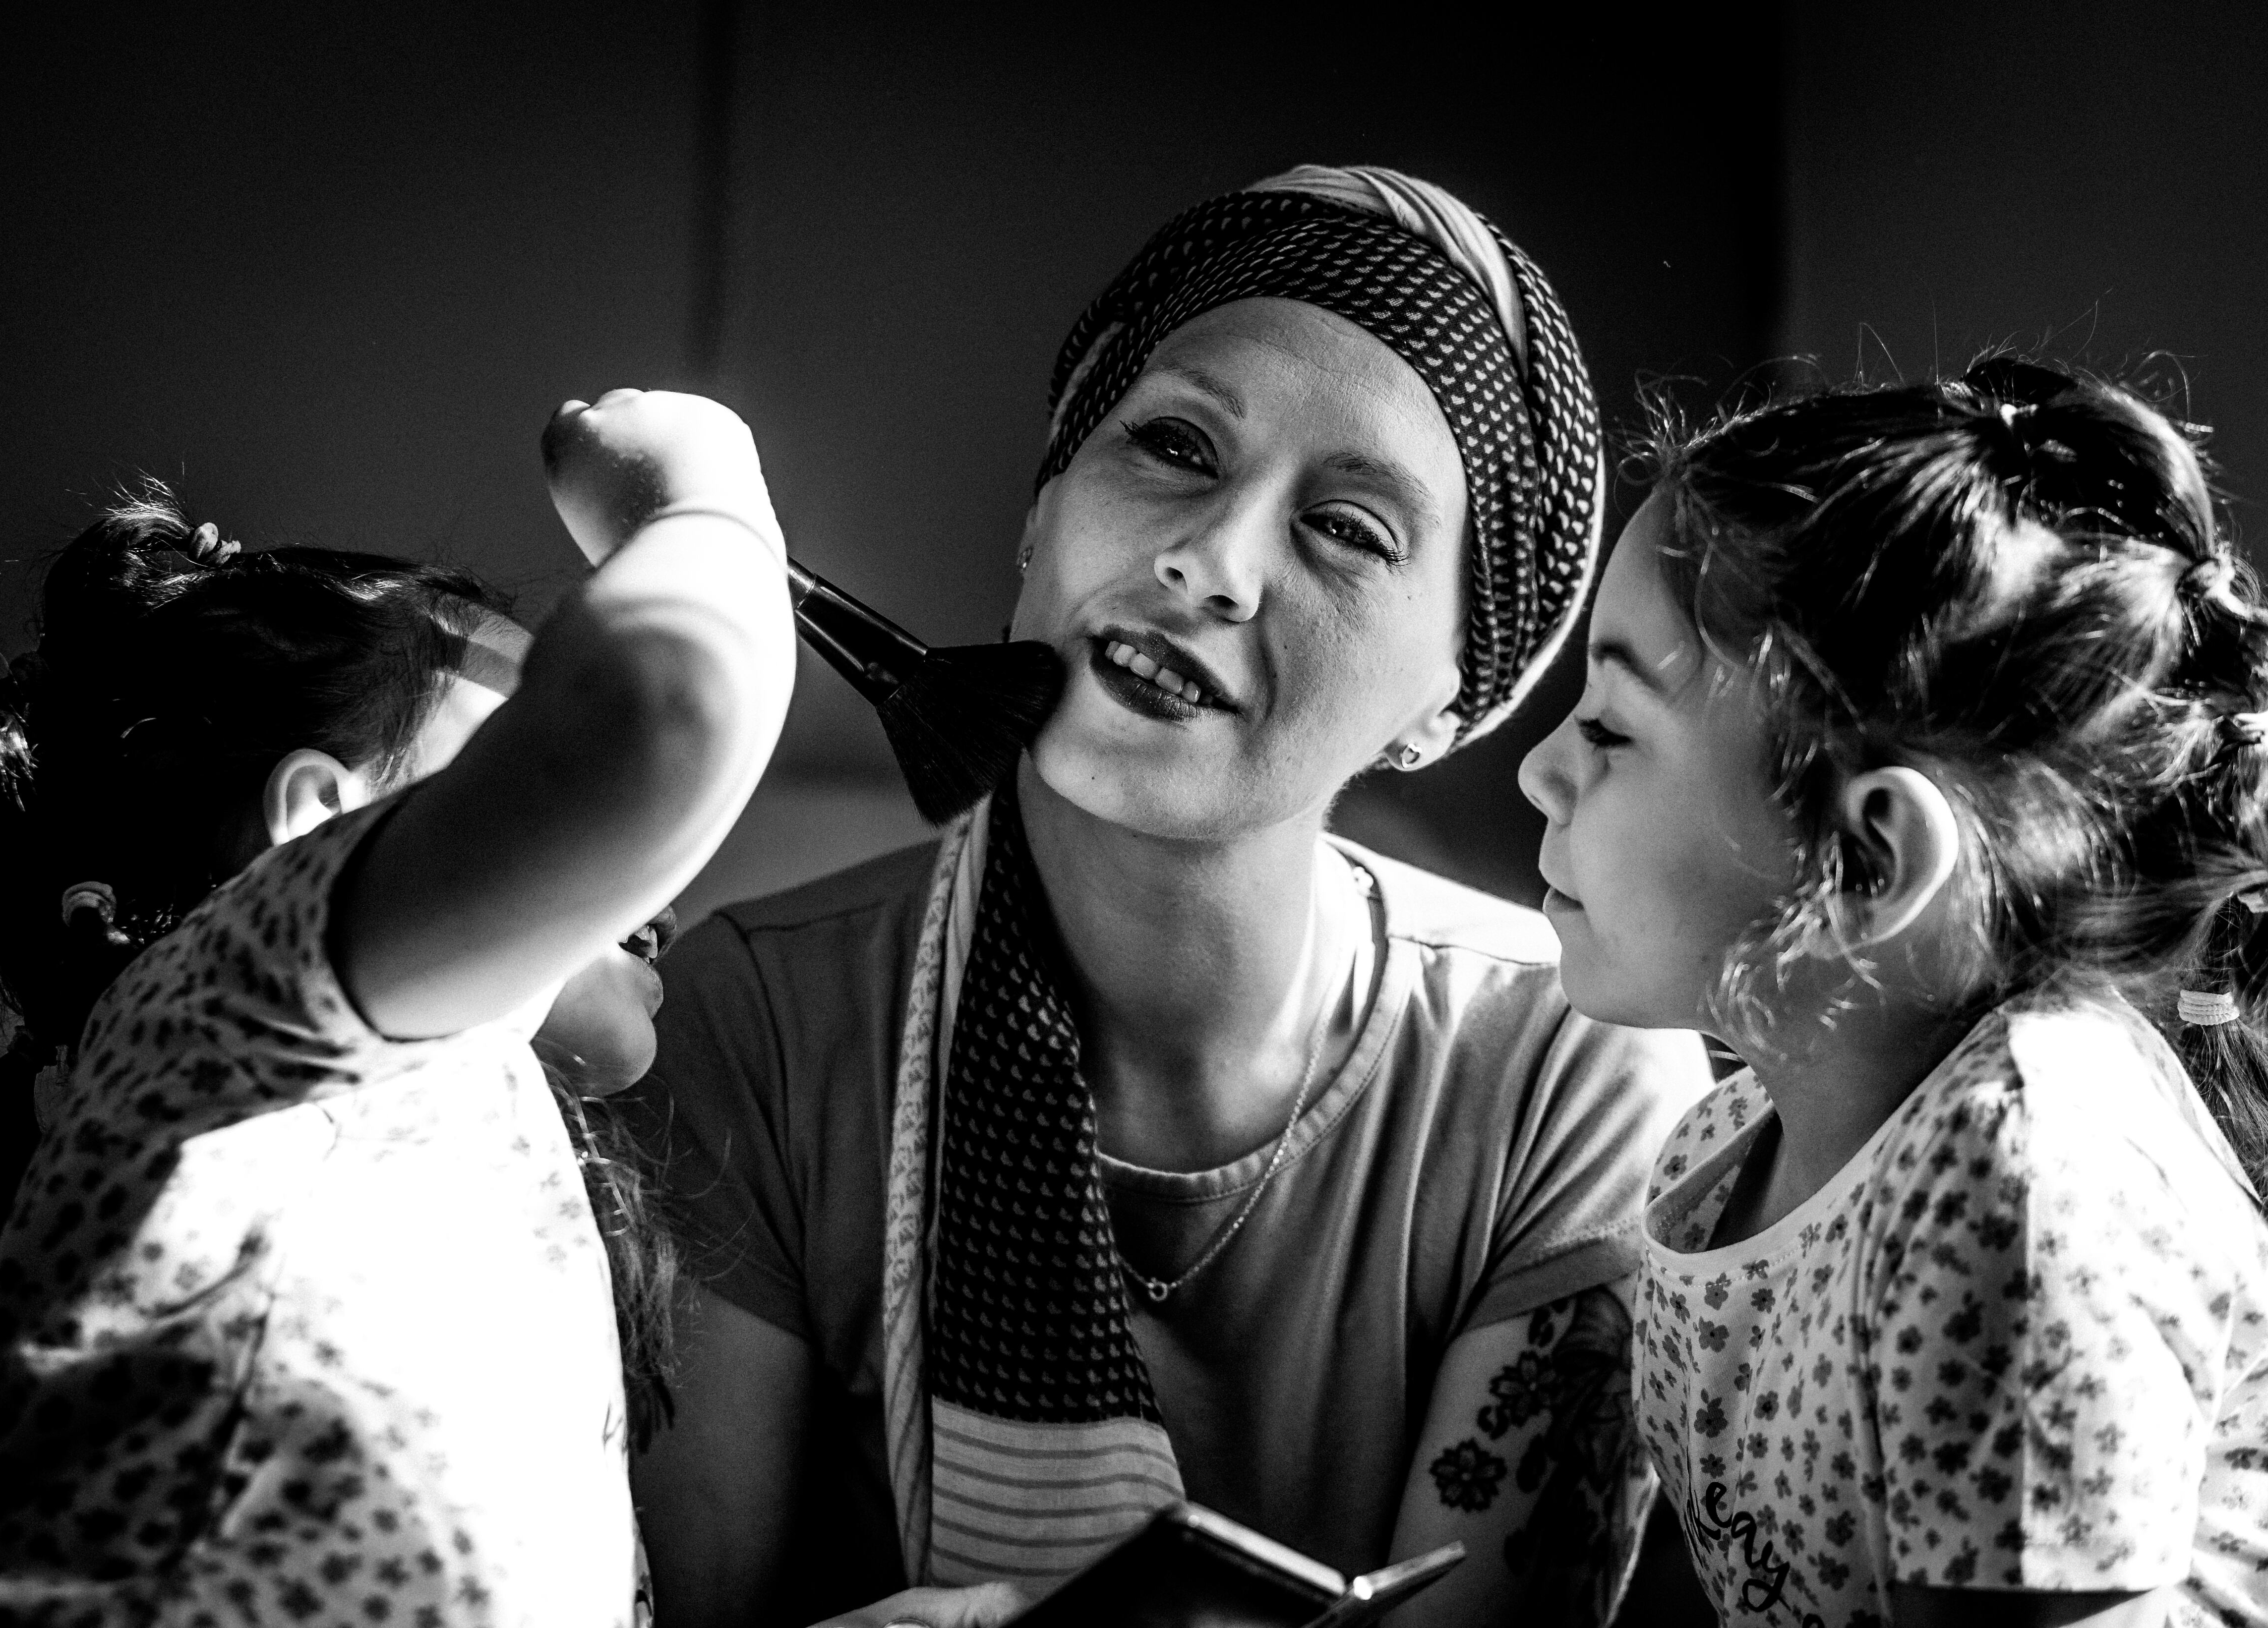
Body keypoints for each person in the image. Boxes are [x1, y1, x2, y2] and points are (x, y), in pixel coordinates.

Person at [630, 164, 1713, 1628]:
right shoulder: (749, 1021)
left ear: (1446, 699)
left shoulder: (1559, 1069)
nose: (1208, 557)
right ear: (1042, 511)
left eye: (1348, 527)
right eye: (1174, 446)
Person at [1519, 353, 2268, 1626]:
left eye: (1607, 729)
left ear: (1870, 864)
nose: (1540, 773)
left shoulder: (2023, 1180)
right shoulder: (1722, 1156)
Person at [0, 389, 796, 1624]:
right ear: (316, 826)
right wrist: (699, 486)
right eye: (524, 718)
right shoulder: (227, 1004)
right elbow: (662, 714)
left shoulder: (422, 1149)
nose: (653, 883)